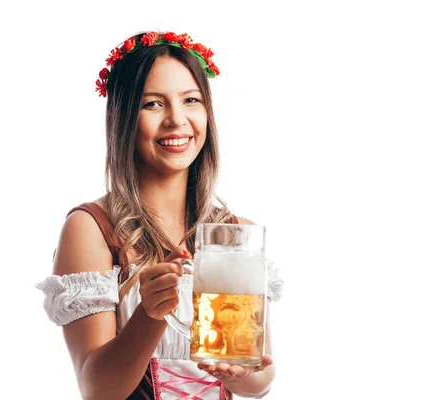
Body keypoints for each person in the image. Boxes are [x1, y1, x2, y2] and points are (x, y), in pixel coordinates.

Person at [36, 30, 283, 399]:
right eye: (153, 104)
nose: (176, 119)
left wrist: (239, 371)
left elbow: (260, 380)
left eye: (191, 100)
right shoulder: (92, 229)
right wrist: (149, 314)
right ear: (124, 118)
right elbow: (97, 390)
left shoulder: (234, 233)